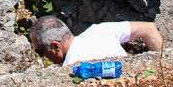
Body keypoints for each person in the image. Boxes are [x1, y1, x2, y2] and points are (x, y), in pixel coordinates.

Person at [29, 15, 164, 66]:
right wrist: (164, 66)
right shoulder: (100, 30)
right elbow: (149, 29)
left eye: (41, 52)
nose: (44, 57)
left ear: (55, 46)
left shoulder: (72, 67)